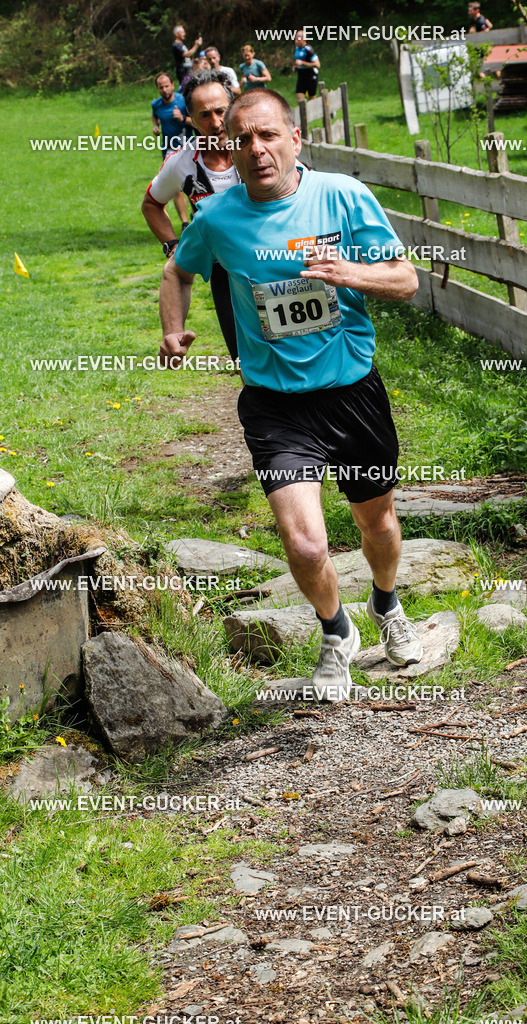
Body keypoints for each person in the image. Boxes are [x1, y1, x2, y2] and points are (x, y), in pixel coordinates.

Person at [158, 89, 425, 698]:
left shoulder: (342, 195)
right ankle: (336, 631)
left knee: (378, 524)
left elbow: (406, 279)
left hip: (352, 394)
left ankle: (386, 603)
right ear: (229, 148)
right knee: (304, 544)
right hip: (275, 404)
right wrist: (173, 328)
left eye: (268, 135)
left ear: (295, 138)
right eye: (242, 140)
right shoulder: (216, 219)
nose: (256, 149)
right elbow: (178, 269)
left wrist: (348, 273)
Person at [142, 69, 240, 361]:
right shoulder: (181, 162)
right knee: (244, 364)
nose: (216, 122)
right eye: (205, 115)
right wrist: (172, 245)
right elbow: (151, 204)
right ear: (191, 119)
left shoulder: (259, 147)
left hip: (275, 263)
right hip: (225, 273)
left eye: (221, 111)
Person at [151, 73, 193, 232]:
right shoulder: (156, 104)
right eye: (161, 87)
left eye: (167, 86)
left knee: (193, 184)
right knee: (176, 187)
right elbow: (155, 116)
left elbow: (196, 122)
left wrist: (182, 118)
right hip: (169, 150)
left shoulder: (184, 101)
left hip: (189, 148)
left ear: (173, 85)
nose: (164, 89)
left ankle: (196, 214)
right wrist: (156, 126)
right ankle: (185, 223)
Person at [293, 29, 320, 102]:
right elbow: (299, 62)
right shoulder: (296, 49)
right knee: (300, 100)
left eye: (298, 39)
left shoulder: (308, 49)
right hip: (301, 76)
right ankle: (303, 110)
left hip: (311, 76)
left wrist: (302, 63)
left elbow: (317, 65)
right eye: (295, 39)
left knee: (312, 101)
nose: (296, 41)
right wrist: (296, 67)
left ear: (304, 39)